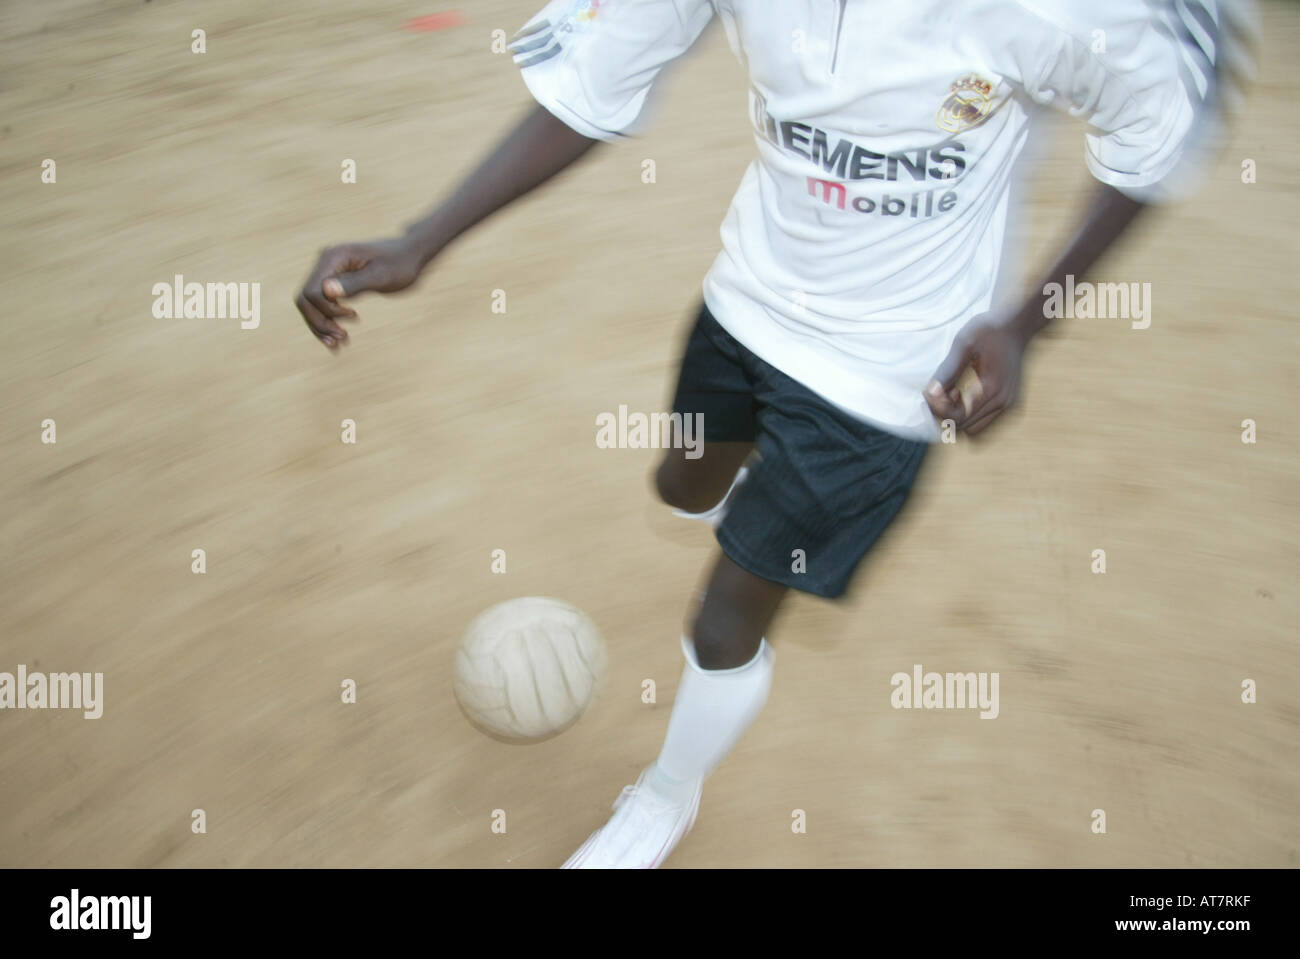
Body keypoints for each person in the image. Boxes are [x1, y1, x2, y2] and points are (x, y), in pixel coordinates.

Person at [294, 0, 1253, 867]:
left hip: (886, 376)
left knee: (724, 616)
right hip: (748, 302)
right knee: (680, 484)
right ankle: (733, 510)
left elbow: (1154, 132)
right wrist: (426, 237)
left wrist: (1025, 323)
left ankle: (663, 799)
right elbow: (591, 88)